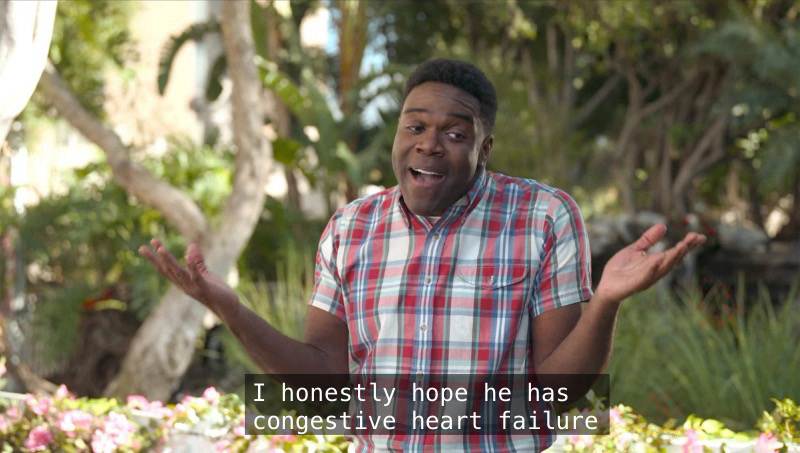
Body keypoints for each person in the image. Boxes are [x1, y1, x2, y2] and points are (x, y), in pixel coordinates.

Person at [140, 59, 706, 452]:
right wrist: (231, 310)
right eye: (415, 126)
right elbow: (325, 389)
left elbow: (556, 394)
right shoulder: (349, 228)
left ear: (484, 148)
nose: (429, 143)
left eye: (456, 134)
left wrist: (605, 303)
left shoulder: (544, 217)